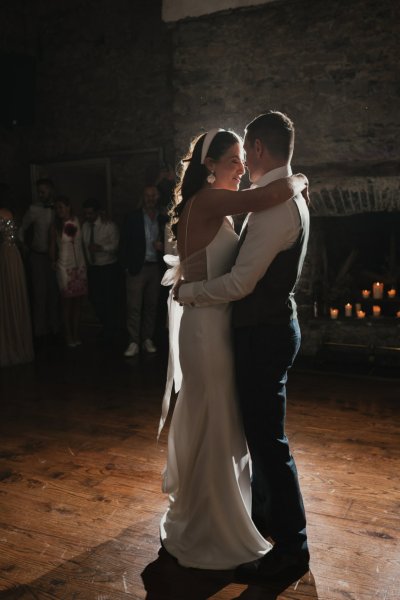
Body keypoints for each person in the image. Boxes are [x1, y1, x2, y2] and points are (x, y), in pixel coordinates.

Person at [159, 127, 308, 570]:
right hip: (206, 330)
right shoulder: (209, 202)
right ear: (209, 167)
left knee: (222, 421)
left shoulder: (218, 209)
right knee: (215, 420)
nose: (242, 168)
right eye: (233, 160)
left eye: (245, 158)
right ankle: (211, 524)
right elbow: (266, 197)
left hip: (217, 324)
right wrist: (297, 181)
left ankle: (225, 513)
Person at [120, 185, 168, 357]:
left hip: (156, 268)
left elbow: (171, 243)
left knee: (151, 306)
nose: (150, 198)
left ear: (158, 197)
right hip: (136, 267)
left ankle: (147, 339)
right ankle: (133, 341)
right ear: (143, 197)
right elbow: (124, 242)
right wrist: (125, 266)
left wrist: (163, 247)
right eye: (147, 195)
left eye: (153, 195)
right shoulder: (132, 217)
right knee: (133, 307)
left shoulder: (164, 218)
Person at [18, 178, 60, 342]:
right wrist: (23, 245)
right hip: (38, 256)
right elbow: (22, 227)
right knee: (39, 293)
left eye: (43, 191)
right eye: (39, 191)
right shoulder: (34, 209)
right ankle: (39, 331)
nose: (40, 194)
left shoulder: (58, 208)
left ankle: (55, 327)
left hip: (56, 257)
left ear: (51, 190)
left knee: (55, 293)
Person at [0, 184, 34, 367]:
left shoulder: (2, 213)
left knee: (7, 297)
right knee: (12, 296)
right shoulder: (9, 213)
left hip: (4, 257)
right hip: (13, 256)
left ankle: (9, 343)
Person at [81, 198, 120, 344]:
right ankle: (106, 326)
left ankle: (111, 329)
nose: (88, 216)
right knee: (94, 298)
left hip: (108, 267)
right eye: (86, 213)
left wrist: (101, 248)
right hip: (93, 268)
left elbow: (116, 246)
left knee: (108, 300)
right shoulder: (85, 226)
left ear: (97, 212)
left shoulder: (108, 225)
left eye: (91, 213)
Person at [49, 196, 87, 347]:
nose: (59, 210)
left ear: (69, 207)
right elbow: (52, 247)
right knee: (67, 304)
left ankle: (76, 334)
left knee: (78, 302)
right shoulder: (55, 227)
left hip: (80, 265)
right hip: (65, 267)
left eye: (61, 207)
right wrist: (52, 261)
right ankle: (68, 336)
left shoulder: (78, 221)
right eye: (57, 208)